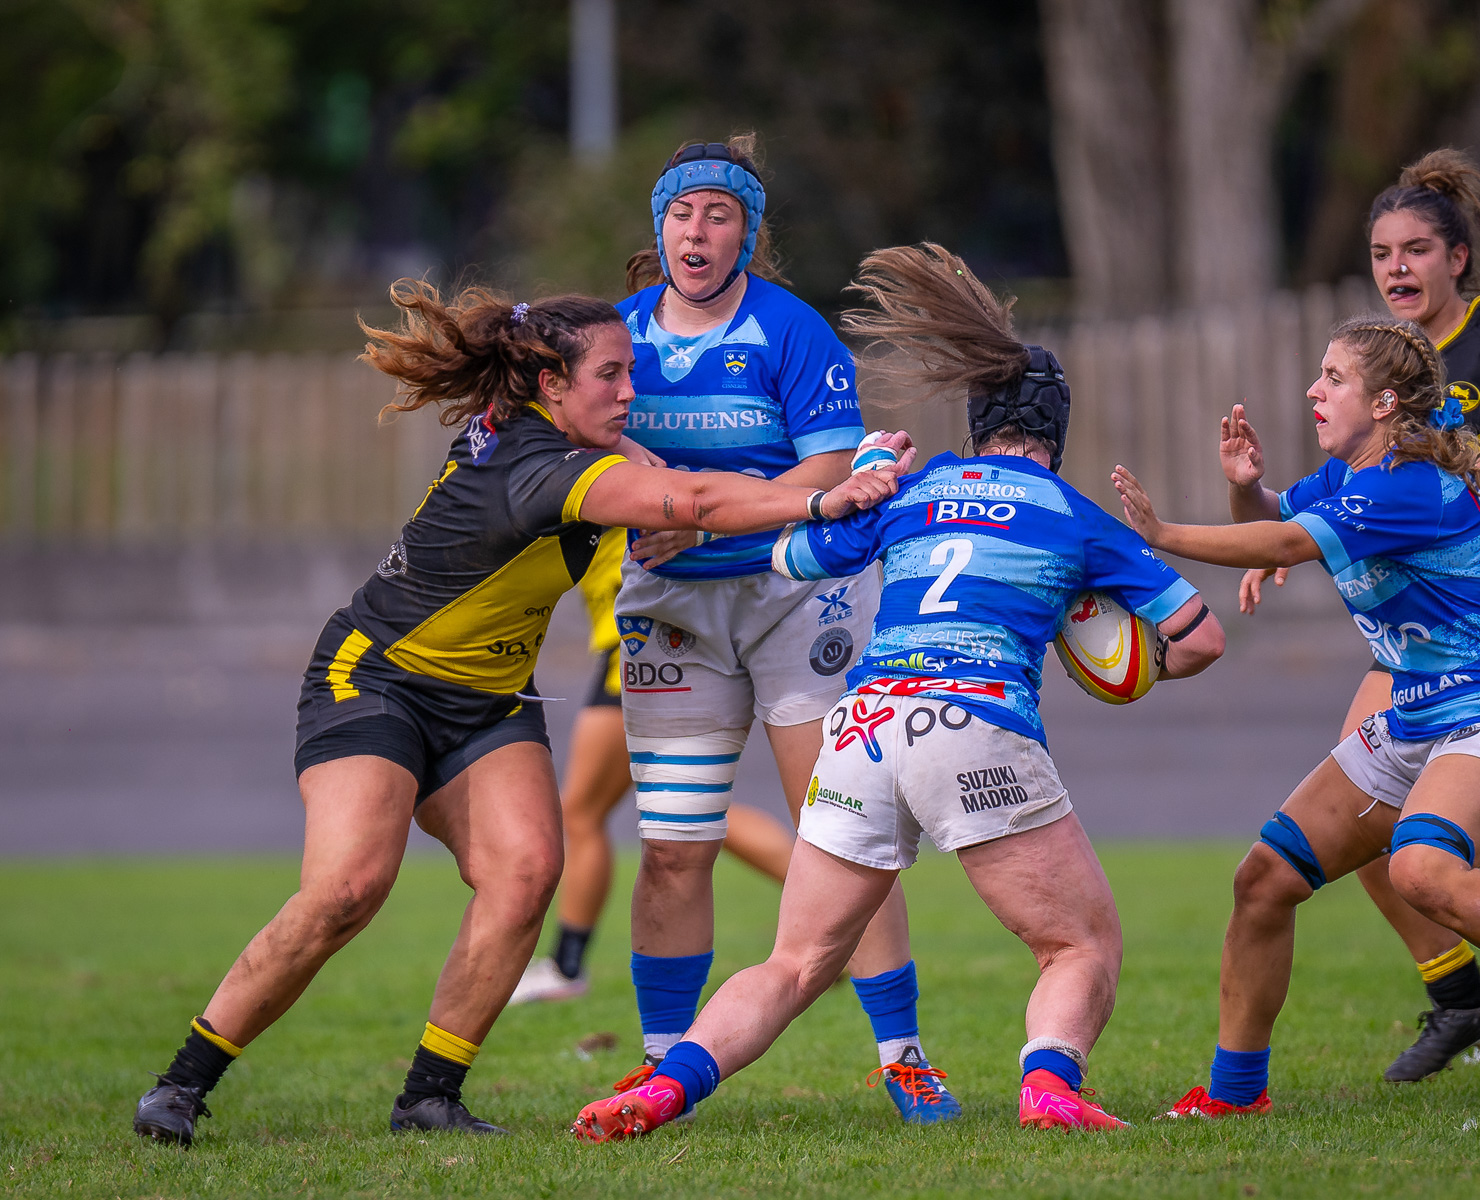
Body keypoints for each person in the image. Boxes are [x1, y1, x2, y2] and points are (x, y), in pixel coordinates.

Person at [130, 281, 907, 1146]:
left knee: (529, 869)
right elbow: (693, 499)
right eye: (611, 376)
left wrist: (736, 496)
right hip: (378, 679)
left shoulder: (579, 445)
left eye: (631, 373)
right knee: (348, 887)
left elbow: (682, 494)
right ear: (550, 384)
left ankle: (429, 1096)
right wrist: (824, 496)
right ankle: (182, 1084)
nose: (630, 392)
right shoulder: (539, 469)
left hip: (487, 701)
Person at [570, 244, 1226, 1144]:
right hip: (975, 722)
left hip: (863, 725)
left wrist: (862, 472)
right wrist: (1127, 667)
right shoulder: (1074, 515)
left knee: (796, 961)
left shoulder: (912, 488)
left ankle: (658, 1089)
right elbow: (1200, 639)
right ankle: (1050, 1088)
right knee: (1078, 944)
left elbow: (792, 557)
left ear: (974, 413)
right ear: (1056, 432)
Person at [1112, 315, 1480, 1116]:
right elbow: (1276, 518)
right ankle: (1236, 1096)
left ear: (1386, 402)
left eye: (1333, 377)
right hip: (1418, 714)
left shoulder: (1404, 485)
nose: (1313, 389)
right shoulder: (1352, 479)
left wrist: (1160, 535)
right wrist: (1243, 482)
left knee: (1421, 869)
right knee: (1263, 881)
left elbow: (1287, 544)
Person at [1245, 149, 1480, 1084]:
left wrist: (1478, 464)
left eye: (1417, 249)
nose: (1397, 267)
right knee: (1362, 800)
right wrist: (1267, 524)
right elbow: (1326, 514)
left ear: (1459, 257)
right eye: (1381, 252)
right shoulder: (1378, 360)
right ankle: (1459, 994)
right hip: (1421, 634)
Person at [607, 135, 955, 1122]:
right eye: (682, 212)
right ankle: (663, 1063)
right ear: (660, 226)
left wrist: (694, 510)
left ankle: (904, 1054)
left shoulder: (792, 332)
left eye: (719, 214)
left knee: (842, 832)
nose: (697, 229)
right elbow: (589, 451)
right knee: (675, 845)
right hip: (670, 615)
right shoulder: (618, 336)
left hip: (796, 598)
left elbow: (825, 479)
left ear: (747, 234)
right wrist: (650, 505)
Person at [507, 530, 796, 1005]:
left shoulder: (616, 466)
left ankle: (566, 967)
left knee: (595, 809)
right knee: (691, 802)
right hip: (641, 634)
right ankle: (835, 911)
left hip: (641, 637)